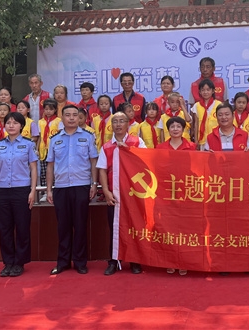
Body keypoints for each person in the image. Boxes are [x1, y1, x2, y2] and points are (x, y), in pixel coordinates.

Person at [47, 105, 98, 275]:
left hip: (81, 186)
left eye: (75, 115)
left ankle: (80, 262)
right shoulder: (54, 139)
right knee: (63, 227)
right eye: (67, 115)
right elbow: (50, 165)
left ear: (80, 118)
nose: (71, 118)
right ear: (62, 118)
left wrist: (94, 184)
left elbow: (93, 162)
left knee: (80, 225)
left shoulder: (88, 137)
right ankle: (63, 262)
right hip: (61, 187)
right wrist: (49, 189)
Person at [97, 112, 147, 275]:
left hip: (133, 194)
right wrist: (106, 190)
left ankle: (135, 261)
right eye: (115, 121)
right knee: (114, 228)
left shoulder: (137, 142)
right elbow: (102, 170)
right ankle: (113, 261)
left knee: (134, 226)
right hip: (114, 194)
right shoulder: (106, 146)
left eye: (121, 121)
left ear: (128, 124)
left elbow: (146, 162)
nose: (118, 124)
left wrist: (129, 150)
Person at [0, 112, 38, 278]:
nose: (11, 125)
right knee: (5, 228)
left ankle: (19, 262)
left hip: (21, 190)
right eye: (8, 122)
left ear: (21, 126)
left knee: (22, 227)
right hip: (2, 190)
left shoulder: (28, 144)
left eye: (15, 123)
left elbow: (33, 169)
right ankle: (8, 262)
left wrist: (32, 191)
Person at [157, 115, 195, 276]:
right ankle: (170, 261)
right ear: (168, 130)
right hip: (166, 192)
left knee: (185, 227)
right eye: (172, 126)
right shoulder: (160, 148)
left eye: (178, 126)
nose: (175, 129)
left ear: (183, 129)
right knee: (168, 227)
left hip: (185, 191)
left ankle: (183, 261)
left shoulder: (191, 147)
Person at [37, 99, 61, 203]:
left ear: (55, 110)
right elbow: (39, 137)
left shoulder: (59, 121)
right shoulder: (40, 122)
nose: (48, 111)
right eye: (46, 109)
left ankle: (55, 191)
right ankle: (45, 192)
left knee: (55, 171)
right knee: (44, 171)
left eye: (50, 109)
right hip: (43, 149)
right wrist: (37, 148)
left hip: (55, 149)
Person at [191, 79, 222, 150]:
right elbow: (196, 124)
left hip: (216, 138)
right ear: (200, 92)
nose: (205, 92)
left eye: (208, 90)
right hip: (202, 140)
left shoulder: (219, 104)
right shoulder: (197, 105)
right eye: (203, 90)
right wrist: (196, 140)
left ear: (213, 91)